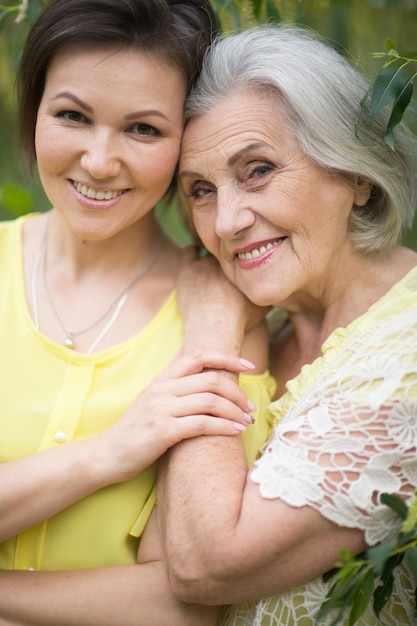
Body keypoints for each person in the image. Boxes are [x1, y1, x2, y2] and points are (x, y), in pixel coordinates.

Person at [0, 2, 275, 624]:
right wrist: (111, 453)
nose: (99, 162)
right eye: (72, 115)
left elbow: (184, 604)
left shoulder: (224, 321)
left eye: (143, 129)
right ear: (35, 112)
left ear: (189, 141)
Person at [159, 25, 417, 625]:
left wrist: (211, 333)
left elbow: (203, 565)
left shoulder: (404, 357)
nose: (226, 221)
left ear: (355, 173)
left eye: (257, 170)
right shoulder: (269, 333)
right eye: (200, 189)